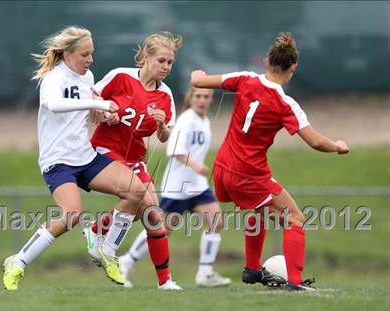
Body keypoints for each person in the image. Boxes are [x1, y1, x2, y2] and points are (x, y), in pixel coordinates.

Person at [190, 32, 349, 291]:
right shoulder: (285, 103)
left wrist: (196, 74)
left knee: (259, 212)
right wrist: (338, 146)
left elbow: (198, 80)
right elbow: (316, 142)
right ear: (293, 68)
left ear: (266, 61)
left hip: (221, 169)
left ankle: (252, 269)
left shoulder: (244, 79)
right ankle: (295, 284)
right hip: (248, 174)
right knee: (295, 219)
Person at [2, 26, 154, 290]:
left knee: (136, 191)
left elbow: (87, 112)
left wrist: (107, 115)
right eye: (85, 54)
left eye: (92, 53)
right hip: (58, 161)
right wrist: (98, 104)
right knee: (71, 215)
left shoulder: (88, 77)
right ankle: (17, 262)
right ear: (68, 54)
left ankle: (106, 249)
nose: (90, 59)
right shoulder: (54, 77)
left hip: (85, 157)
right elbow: (53, 104)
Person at [82, 32, 183, 290]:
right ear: (146, 58)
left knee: (151, 215)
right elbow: (91, 100)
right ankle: (109, 250)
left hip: (135, 158)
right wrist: (106, 112)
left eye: (170, 62)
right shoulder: (121, 76)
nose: (166, 67)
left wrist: (162, 125)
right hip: (106, 150)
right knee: (146, 201)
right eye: (161, 60)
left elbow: (165, 137)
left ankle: (165, 282)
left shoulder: (165, 95)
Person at [116, 87, 232, 288]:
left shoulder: (203, 121)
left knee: (215, 221)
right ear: (190, 98)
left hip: (197, 186)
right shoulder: (186, 120)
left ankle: (205, 273)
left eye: (206, 97)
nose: (202, 100)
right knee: (161, 229)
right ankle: (126, 261)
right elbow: (174, 150)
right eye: (198, 96)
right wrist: (196, 166)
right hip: (178, 186)